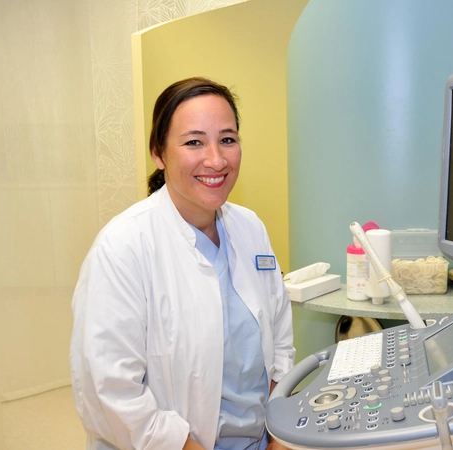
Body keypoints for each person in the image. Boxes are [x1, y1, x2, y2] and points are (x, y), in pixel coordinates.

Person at [70, 77, 295, 450]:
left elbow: (280, 339)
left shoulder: (250, 227)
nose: (216, 160)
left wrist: (279, 435)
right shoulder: (122, 247)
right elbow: (111, 393)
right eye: (194, 142)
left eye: (227, 139)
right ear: (158, 153)